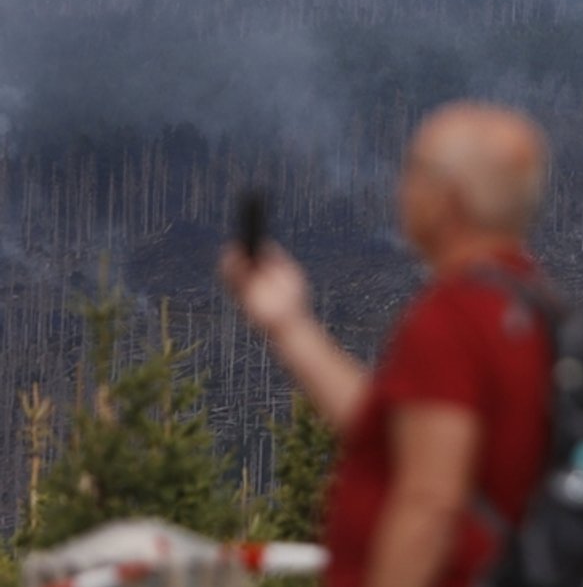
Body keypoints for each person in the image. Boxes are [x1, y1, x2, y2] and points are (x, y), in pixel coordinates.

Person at [220, 103, 554, 587]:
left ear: (450, 199)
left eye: (415, 172)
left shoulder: (453, 319)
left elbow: (431, 503)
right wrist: (290, 325)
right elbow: (399, 433)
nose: (402, 189)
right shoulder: (531, 309)